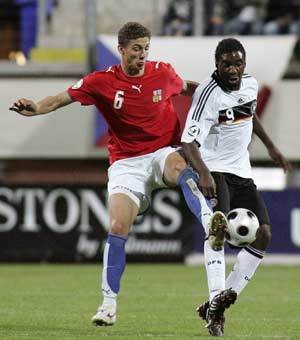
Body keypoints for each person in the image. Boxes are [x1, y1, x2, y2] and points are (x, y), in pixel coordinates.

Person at [9, 22, 230, 330]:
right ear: (122, 49)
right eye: (136, 49)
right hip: (126, 163)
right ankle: (108, 305)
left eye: (146, 49)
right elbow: (61, 99)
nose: (142, 55)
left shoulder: (163, 73)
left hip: (161, 152)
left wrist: (214, 95)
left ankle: (210, 224)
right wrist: (35, 107)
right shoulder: (101, 81)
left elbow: (186, 86)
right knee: (117, 226)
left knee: (179, 165)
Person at [181, 38, 291, 336]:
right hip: (214, 169)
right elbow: (188, 141)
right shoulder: (207, 94)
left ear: (245, 65)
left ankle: (213, 305)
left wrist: (271, 147)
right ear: (216, 64)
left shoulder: (250, 84)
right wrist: (203, 172)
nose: (233, 69)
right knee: (217, 233)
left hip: (241, 171)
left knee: (264, 234)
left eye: (238, 63)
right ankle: (217, 311)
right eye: (227, 64)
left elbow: (250, 113)